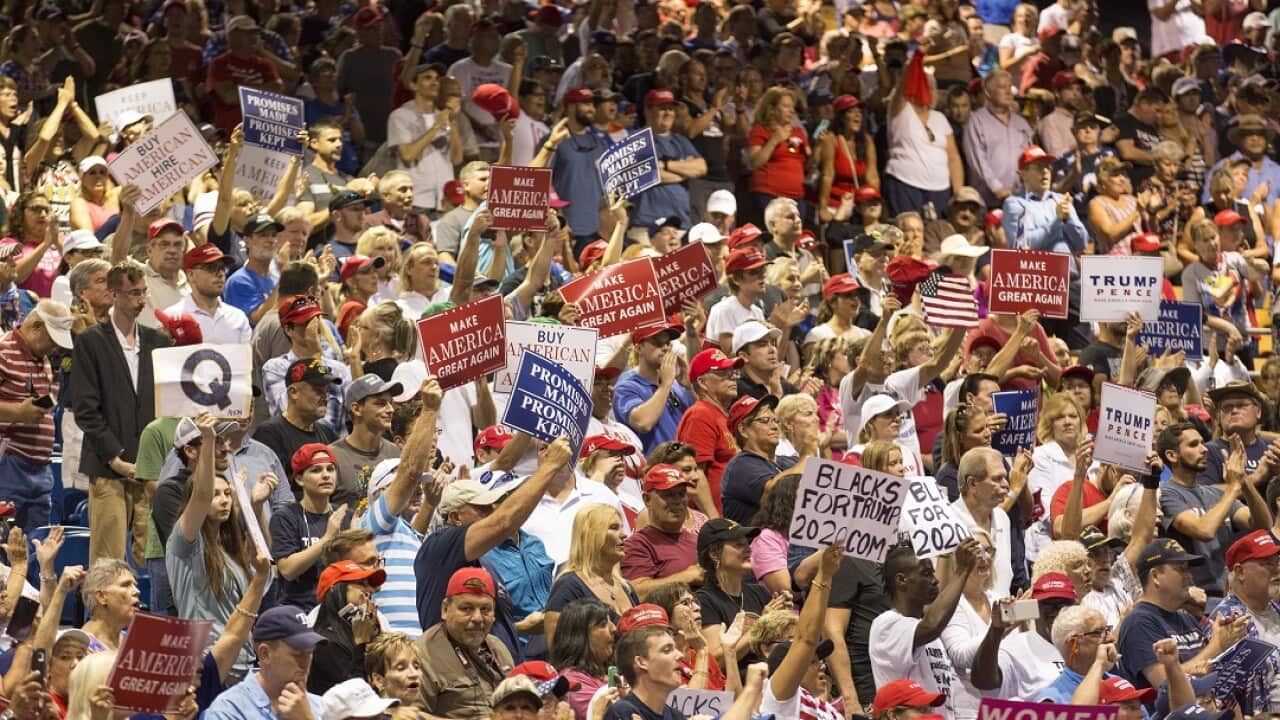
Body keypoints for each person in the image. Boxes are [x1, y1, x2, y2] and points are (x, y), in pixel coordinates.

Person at [414, 438, 573, 654]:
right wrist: (550, 466)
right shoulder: (440, 545)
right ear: (455, 516)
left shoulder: (484, 561)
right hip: (452, 673)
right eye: (482, 509)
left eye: (492, 507)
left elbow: (499, 628)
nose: (491, 514)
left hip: (495, 669)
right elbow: (503, 522)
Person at [72, 259, 171, 565]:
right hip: (107, 467)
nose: (140, 300)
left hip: (149, 469)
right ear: (113, 295)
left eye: (143, 292)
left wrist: (152, 461)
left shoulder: (158, 341)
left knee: (153, 560)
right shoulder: (90, 341)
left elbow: (165, 404)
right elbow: (85, 408)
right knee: (107, 561)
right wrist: (115, 458)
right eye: (132, 293)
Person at [1114, 536, 1249, 691]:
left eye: (1188, 569)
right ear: (1155, 576)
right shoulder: (1138, 622)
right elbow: (1165, 684)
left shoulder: (1186, 618)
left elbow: (1208, 667)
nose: (1189, 576)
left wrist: (1228, 638)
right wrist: (1217, 645)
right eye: (1181, 569)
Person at [1158, 422, 1271, 599]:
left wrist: (1244, 482)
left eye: (1202, 443)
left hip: (1229, 594)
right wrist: (1233, 486)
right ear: (1172, 455)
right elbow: (1204, 530)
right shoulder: (1167, 494)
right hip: (1193, 598)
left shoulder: (1215, 494)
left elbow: (1262, 524)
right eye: (1193, 445)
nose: (1204, 449)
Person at [871, 538, 983, 715]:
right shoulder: (886, 625)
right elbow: (933, 624)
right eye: (926, 574)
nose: (935, 581)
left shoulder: (932, 636)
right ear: (902, 580)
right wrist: (962, 570)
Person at [0, 300, 72, 533]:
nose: (54, 347)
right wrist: (17, 412)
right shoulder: (3, 351)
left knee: (37, 547)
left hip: (40, 468)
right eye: (52, 339)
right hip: (9, 464)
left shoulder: (42, 358)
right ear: (36, 327)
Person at [417, 567, 515, 720]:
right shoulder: (422, 654)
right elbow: (407, 714)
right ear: (445, 609)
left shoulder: (498, 647)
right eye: (466, 609)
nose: (477, 618)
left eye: (485, 609)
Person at [1202, 530, 1280, 715]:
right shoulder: (1226, 621)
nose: (1277, 568)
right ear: (1240, 572)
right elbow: (1222, 696)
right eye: (1267, 563)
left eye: (1277, 561)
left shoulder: (1276, 610)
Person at [203, 606, 327, 720]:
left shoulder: (322, 706)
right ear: (265, 654)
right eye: (297, 654)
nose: (305, 663)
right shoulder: (228, 710)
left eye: (310, 653)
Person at [544, 504, 637, 649]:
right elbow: (557, 650)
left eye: (622, 527)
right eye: (613, 528)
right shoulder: (568, 586)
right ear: (591, 535)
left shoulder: (627, 587)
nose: (624, 534)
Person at [622, 463, 703, 599]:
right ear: (647, 500)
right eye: (669, 495)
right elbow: (637, 593)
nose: (677, 501)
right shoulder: (637, 544)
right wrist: (686, 577)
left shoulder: (697, 540)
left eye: (681, 494)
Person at [308, 561, 386, 694]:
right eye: (361, 584)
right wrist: (361, 643)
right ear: (336, 589)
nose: (371, 591)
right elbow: (356, 696)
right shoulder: (323, 643)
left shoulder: (368, 632)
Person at [721, 395, 784, 525]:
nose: (774, 427)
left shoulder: (786, 462)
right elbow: (777, 494)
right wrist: (807, 453)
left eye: (775, 420)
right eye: (765, 420)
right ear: (744, 430)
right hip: (754, 544)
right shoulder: (741, 466)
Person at [549, 599, 615, 720]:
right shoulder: (573, 682)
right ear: (580, 636)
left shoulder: (605, 673)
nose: (614, 629)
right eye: (603, 624)